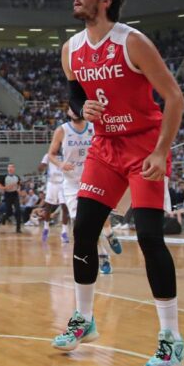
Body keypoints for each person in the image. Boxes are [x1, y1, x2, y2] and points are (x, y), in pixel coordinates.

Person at [51, 0, 184, 366]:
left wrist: (162, 151)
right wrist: (81, 110)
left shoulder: (132, 41)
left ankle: (172, 339)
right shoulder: (71, 48)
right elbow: (76, 92)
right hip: (104, 148)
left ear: (105, 0)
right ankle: (84, 318)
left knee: (149, 237)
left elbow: (174, 98)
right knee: (84, 232)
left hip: (144, 146)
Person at [47, 108, 123, 274]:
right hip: (71, 183)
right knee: (82, 225)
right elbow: (51, 154)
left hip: (93, 177)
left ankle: (110, 234)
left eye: (76, 108)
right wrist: (60, 164)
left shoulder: (94, 127)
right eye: (70, 108)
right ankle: (102, 255)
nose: (73, 111)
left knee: (100, 216)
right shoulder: (62, 130)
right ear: (67, 111)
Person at [39, 154, 70, 244]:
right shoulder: (48, 155)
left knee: (65, 207)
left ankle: (64, 232)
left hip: (63, 183)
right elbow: (40, 168)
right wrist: (42, 167)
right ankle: (46, 227)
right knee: (48, 207)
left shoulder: (65, 154)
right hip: (51, 183)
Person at [2, 164, 22, 232]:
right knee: (9, 212)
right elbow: (0, 187)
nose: (11, 168)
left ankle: (18, 228)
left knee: (18, 210)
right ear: (7, 169)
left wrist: (19, 190)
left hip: (15, 194)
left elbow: (19, 185)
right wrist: (6, 187)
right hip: (7, 195)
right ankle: (5, 216)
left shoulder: (17, 177)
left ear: (14, 169)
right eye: (9, 167)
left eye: (12, 167)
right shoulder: (4, 177)